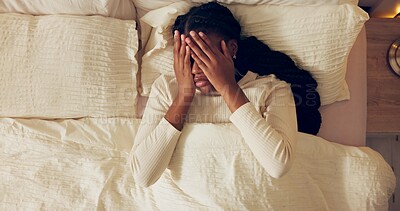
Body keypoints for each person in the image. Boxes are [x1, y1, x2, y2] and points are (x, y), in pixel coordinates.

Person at [129, 2, 320, 187]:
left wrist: (228, 87)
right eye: (189, 58)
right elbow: (143, 176)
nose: (196, 69)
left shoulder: (272, 90)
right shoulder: (166, 89)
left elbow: (278, 166)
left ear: (232, 49)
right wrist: (184, 95)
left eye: (205, 56)